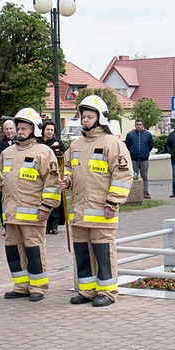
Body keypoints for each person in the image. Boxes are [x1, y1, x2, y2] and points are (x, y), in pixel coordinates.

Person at [61, 95, 133, 307]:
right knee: (83, 253)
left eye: (89, 117)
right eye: (83, 116)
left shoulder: (113, 144)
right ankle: (87, 291)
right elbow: (66, 168)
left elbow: (123, 176)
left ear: (100, 118)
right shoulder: (75, 145)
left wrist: (113, 202)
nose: (85, 120)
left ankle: (107, 291)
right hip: (79, 212)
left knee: (103, 253)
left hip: (103, 211)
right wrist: (66, 180)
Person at [0, 108, 61, 301]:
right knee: (12, 249)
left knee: (34, 250)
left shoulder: (44, 152)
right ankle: (21, 285)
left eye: (24, 128)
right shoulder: (7, 152)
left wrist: (47, 206)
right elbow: (2, 175)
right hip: (10, 214)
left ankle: (38, 287)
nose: (19, 131)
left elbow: (52, 183)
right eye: (18, 127)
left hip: (33, 214)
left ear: (34, 129)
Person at [39, 119, 65, 234]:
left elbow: (61, 157)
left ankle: (54, 226)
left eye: (51, 130)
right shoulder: (39, 143)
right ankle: (46, 224)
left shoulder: (58, 143)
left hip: (54, 174)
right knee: (43, 200)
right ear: (43, 130)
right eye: (47, 129)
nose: (49, 132)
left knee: (53, 200)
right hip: (42, 175)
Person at [0, 120, 16, 229]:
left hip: (16, 177)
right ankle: (5, 224)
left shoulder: (20, 142)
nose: (9, 131)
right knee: (4, 202)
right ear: (3, 130)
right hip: (4, 178)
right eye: (7, 129)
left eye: (11, 128)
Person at [124, 119, 154, 199]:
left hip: (144, 159)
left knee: (145, 176)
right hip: (134, 159)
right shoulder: (130, 135)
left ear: (142, 125)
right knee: (133, 177)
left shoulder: (148, 134)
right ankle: (134, 192)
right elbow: (127, 145)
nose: (139, 126)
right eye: (137, 124)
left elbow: (150, 145)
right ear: (135, 125)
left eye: (140, 124)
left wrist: (146, 152)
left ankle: (145, 192)